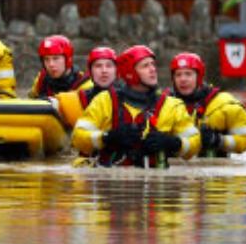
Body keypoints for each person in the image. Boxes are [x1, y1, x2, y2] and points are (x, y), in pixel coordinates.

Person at [71, 45, 199, 167]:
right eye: (145, 66)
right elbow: (78, 137)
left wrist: (174, 143)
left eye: (153, 64)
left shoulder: (172, 105)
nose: (153, 69)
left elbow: (194, 142)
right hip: (110, 176)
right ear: (130, 72)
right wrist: (106, 137)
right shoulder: (104, 101)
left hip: (154, 179)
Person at [169, 52, 246, 157]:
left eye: (188, 74)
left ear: (199, 77)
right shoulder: (164, 105)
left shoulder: (225, 105)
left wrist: (218, 140)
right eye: (178, 75)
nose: (183, 79)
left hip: (214, 164)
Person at [51, 46, 116, 131]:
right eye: (98, 66)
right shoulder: (73, 100)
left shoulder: (128, 98)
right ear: (90, 71)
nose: (104, 70)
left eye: (109, 66)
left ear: (116, 70)